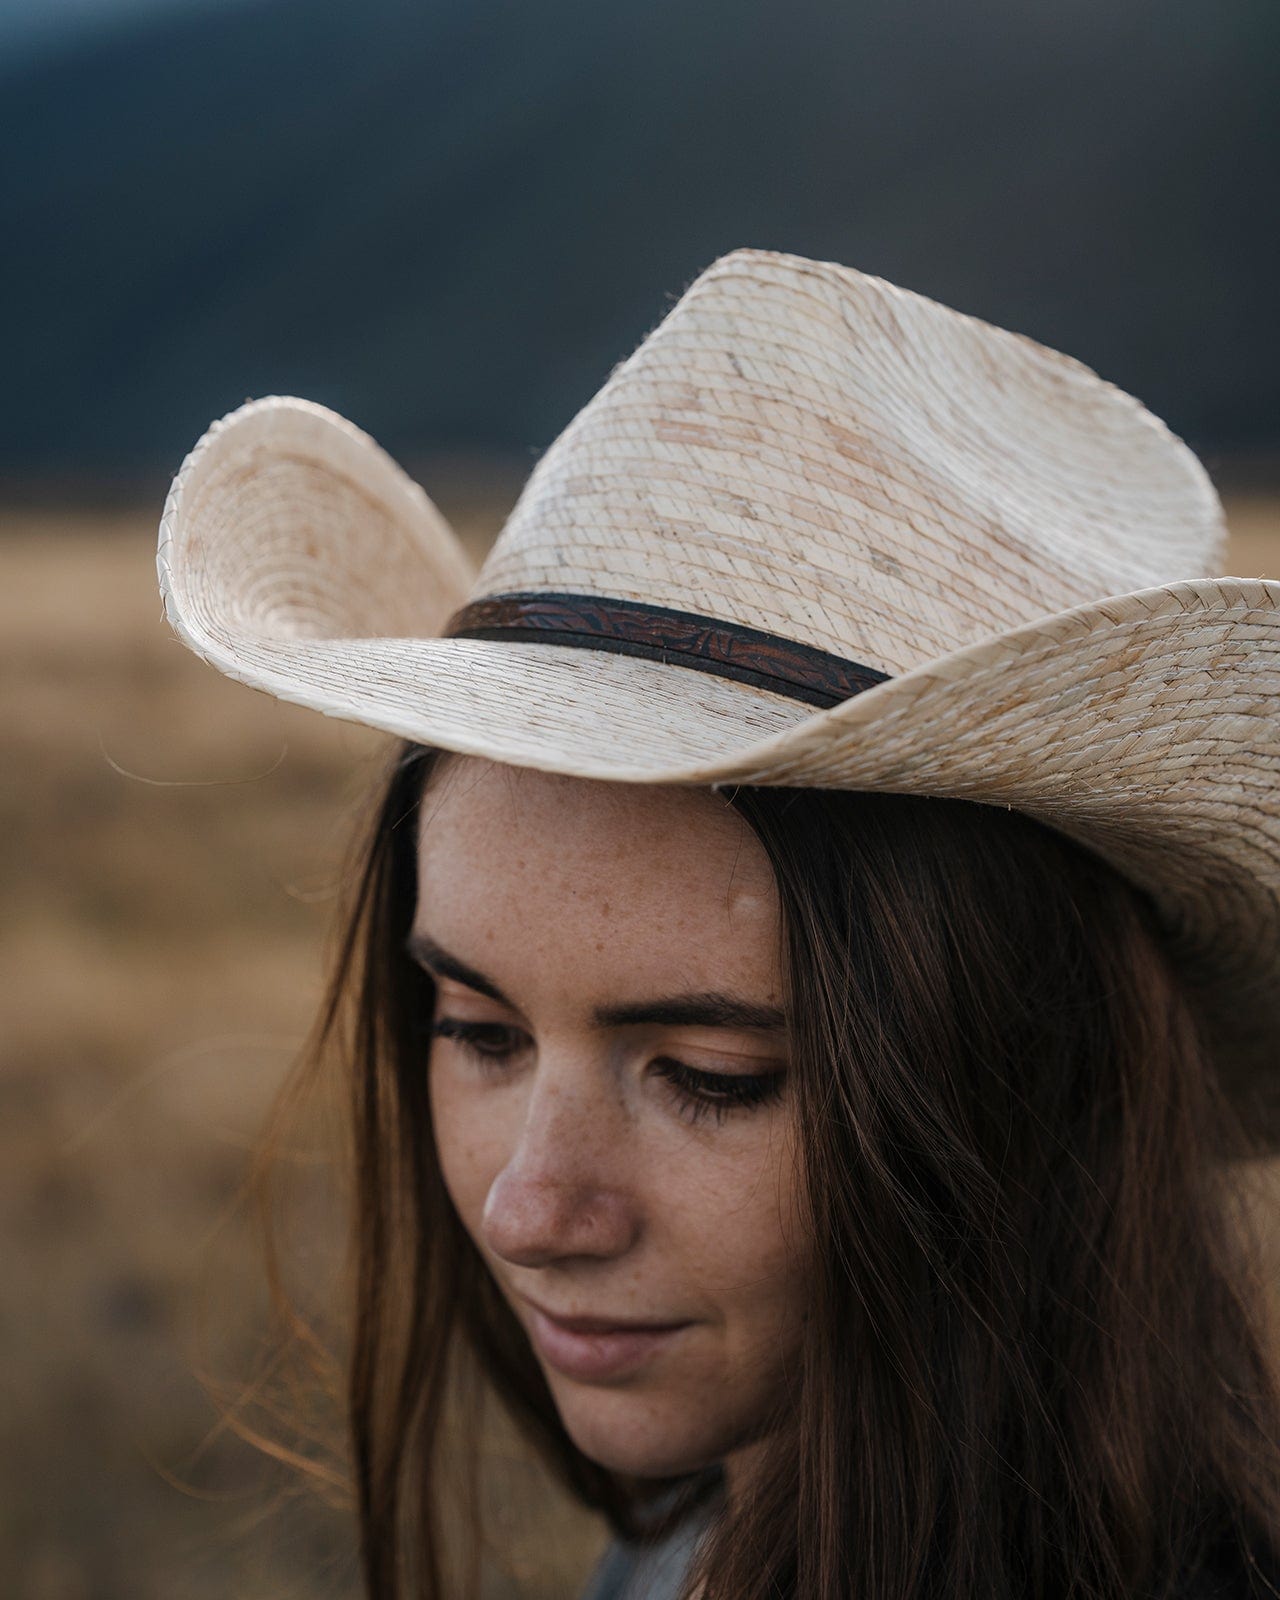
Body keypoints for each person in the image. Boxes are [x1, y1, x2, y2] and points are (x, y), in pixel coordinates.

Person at [157, 249, 1280, 1599]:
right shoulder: (685, 1549)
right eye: (478, 1031)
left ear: (1027, 1073)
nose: (529, 1207)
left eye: (710, 1077)